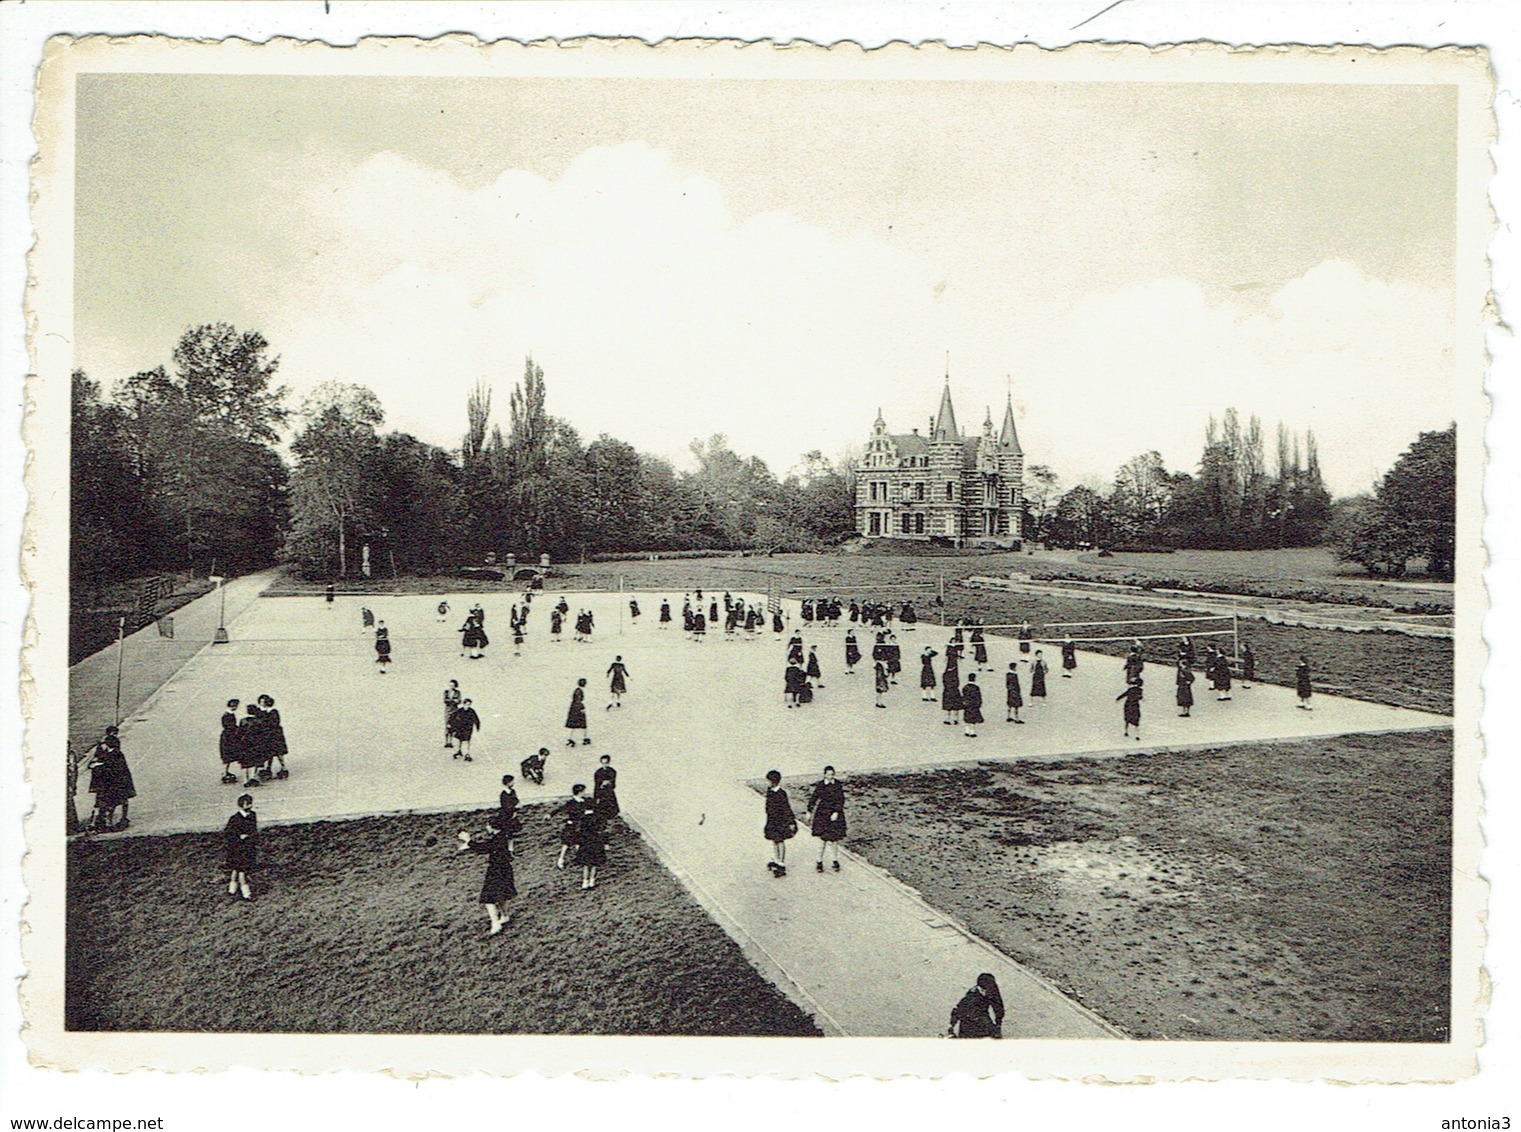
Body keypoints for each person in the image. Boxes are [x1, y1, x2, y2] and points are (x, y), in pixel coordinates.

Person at [458, 819, 516, 936]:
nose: (487, 828)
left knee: (488, 898)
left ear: (493, 827)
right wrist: (470, 844)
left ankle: (495, 923)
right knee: (501, 894)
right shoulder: (502, 836)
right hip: (504, 869)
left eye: (488, 826)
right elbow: (488, 846)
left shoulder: (498, 838)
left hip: (496, 870)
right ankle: (504, 916)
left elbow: (485, 848)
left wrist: (468, 840)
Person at [87, 726, 136, 832]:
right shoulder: (111, 750)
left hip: (112, 780)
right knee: (109, 801)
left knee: (111, 801)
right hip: (110, 781)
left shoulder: (113, 752)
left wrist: (97, 765)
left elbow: (109, 764)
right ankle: (102, 821)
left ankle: (104, 821)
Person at [807, 765, 847, 873]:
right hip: (822, 814)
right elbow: (814, 798)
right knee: (822, 839)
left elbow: (841, 799)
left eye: (832, 774)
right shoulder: (820, 785)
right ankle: (819, 861)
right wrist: (809, 811)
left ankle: (835, 860)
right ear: (824, 774)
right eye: (828, 774)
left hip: (834, 814)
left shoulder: (837, 784)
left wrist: (836, 812)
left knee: (834, 839)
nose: (830, 776)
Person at [223, 793, 258, 901]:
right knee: (242, 870)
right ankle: (246, 893)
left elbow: (254, 830)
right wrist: (239, 836)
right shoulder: (234, 819)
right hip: (238, 848)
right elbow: (228, 833)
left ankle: (232, 889)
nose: (250, 806)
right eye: (248, 804)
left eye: (251, 804)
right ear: (242, 805)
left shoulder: (252, 815)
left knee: (236, 869)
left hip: (248, 846)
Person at [763, 769, 798, 877]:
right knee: (774, 840)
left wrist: (791, 821)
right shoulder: (770, 791)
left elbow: (786, 808)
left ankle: (781, 864)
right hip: (771, 820)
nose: (767, 783)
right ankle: (776, 859)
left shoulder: (781, 794)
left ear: (773, 781)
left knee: (780, 840)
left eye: (768, 781)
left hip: (780, 821)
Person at [948, 973, 1005, 1038]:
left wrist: (998, 1021)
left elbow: (998, 1004)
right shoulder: (972, 998)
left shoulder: (992, 989)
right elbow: (959, 1010)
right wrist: (952, 1026)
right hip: (970, 1025)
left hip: (980, 1020)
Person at [575, 793, 607, 890]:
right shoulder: (599, 818)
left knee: (586, 864)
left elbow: (579, 832)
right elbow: (602, 831)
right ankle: (592, 882)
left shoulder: (582, 818)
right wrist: (605, 843)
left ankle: (584, 882)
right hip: (597, 842)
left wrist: (578, 843)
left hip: (585, 843)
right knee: (594, 864)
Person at [258, 694, 289, 779]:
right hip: (266, 735)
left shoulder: (273, 711)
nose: (261, 703)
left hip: (275, 735)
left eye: (263, 702)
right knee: (268, 753)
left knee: (279, 752)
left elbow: (275, 723)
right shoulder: (261, 711)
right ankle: (268, 768)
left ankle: (283, 767)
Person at [557, 784, 587, 869]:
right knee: (567, 843)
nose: (585, 793)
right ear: (580, 792)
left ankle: (578, 858)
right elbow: (560, 808)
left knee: (579, 842)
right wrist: (550, 814)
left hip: (580, 825)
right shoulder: (571, 803)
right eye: (583, 791)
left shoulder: (584, 801)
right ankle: (561, 859)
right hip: (572, 826)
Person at [497, 774, 523, 855]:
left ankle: (510, 850)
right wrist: (515, 808)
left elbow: (517, 801)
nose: (513, 783)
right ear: (508, 783)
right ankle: (507, 850)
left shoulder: (512, 791)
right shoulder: (504, 794)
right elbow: (506, 807)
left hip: (512, 815)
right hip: (506, 816)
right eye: (512, 781)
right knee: (506, 833)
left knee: (510, 834)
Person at [219, 698, 242, 784]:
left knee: (228, 755)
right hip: (229, 737)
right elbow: (230, 726)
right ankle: (224, 772)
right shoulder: (228, 715)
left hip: (228, 736)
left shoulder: (228, 714)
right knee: (228, 755)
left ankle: (226, 771)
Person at [593, 753, 620, 822]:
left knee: (611, 805)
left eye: (606, 763)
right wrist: (601, 784)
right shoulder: (598, 772)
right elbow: (596, 785)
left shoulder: (612, 771)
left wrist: (609, 783)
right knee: (601, 806)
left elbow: (614, 784)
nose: (604, 765)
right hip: (601, 792)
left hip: (609, 792)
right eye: (603, 763)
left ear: (609, 762)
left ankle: (611, 817)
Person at [941, 644, 963, 725]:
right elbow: (958, 683)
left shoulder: (945, 675)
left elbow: (944, 682)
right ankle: (955, 719)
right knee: (955, 707)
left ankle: (948, 719)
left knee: (948, 707)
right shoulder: (955, 676)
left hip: (947, 691)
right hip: (954, 690)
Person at [565, 678, 590, 746]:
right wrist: (581, 708)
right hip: (577, 710)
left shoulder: (577, 690)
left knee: (576, 725)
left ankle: (573, 738)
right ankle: (582, 738)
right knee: (581, 724)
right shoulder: (579, 691)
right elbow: (578, 701)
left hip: (574, 709)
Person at [443, 680, 462, 748]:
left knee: (452, 726)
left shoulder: (458, 692)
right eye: (450, 685)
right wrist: (453, 701)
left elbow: (459, 701)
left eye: (452, 685)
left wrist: (452, 701)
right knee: (447, 725)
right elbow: (445, 700)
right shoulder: (446, 692)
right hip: (448, 710)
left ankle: (450, 741)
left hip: (454, 710)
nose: (451, 687)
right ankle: (446, 741)